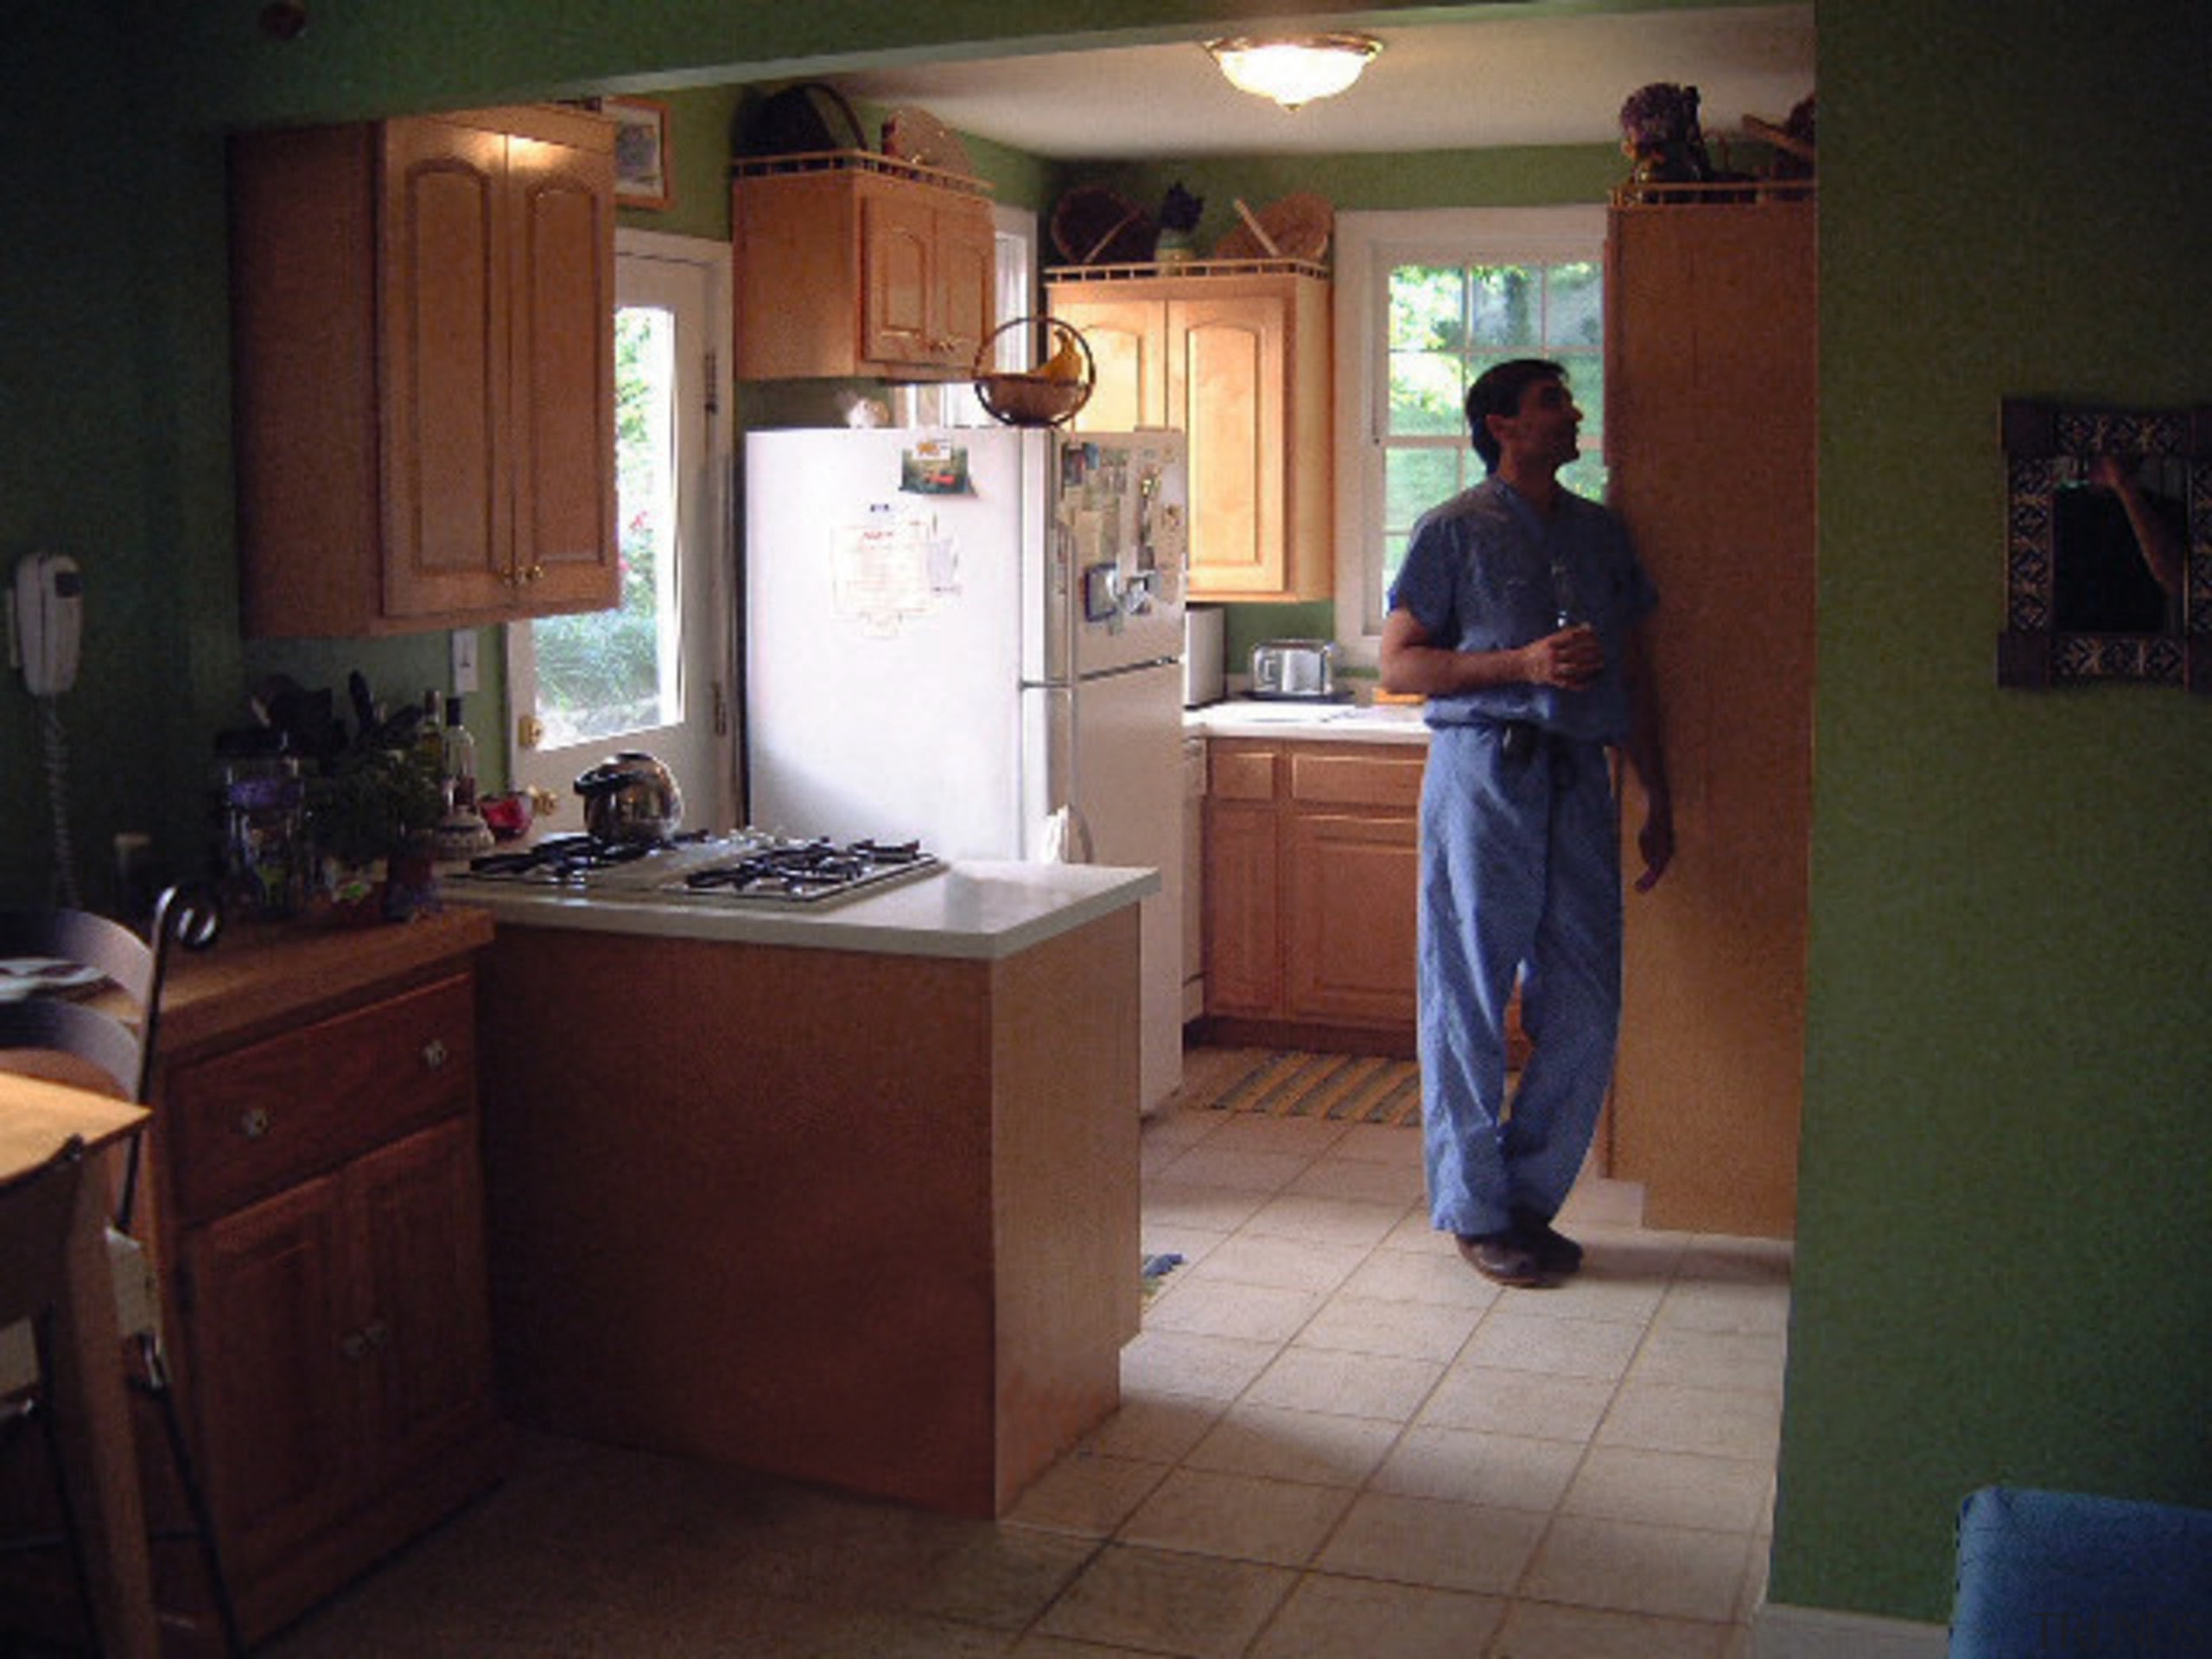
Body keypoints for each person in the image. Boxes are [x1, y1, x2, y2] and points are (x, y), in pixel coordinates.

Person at [1379, 359, 1674, 1287]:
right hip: (1483, 775)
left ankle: (1525, 1199)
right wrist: (1522, 665)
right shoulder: (1451, 530)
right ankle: (1473, 1209)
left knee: (1586, 1005)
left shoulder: (1598, 534)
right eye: (1552, 402)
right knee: (1467, 991)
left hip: (1580, 780)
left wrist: (1657, 793)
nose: (1572, 413)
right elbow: (1399, 665)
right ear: (1501, 424)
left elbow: (1636, 672)